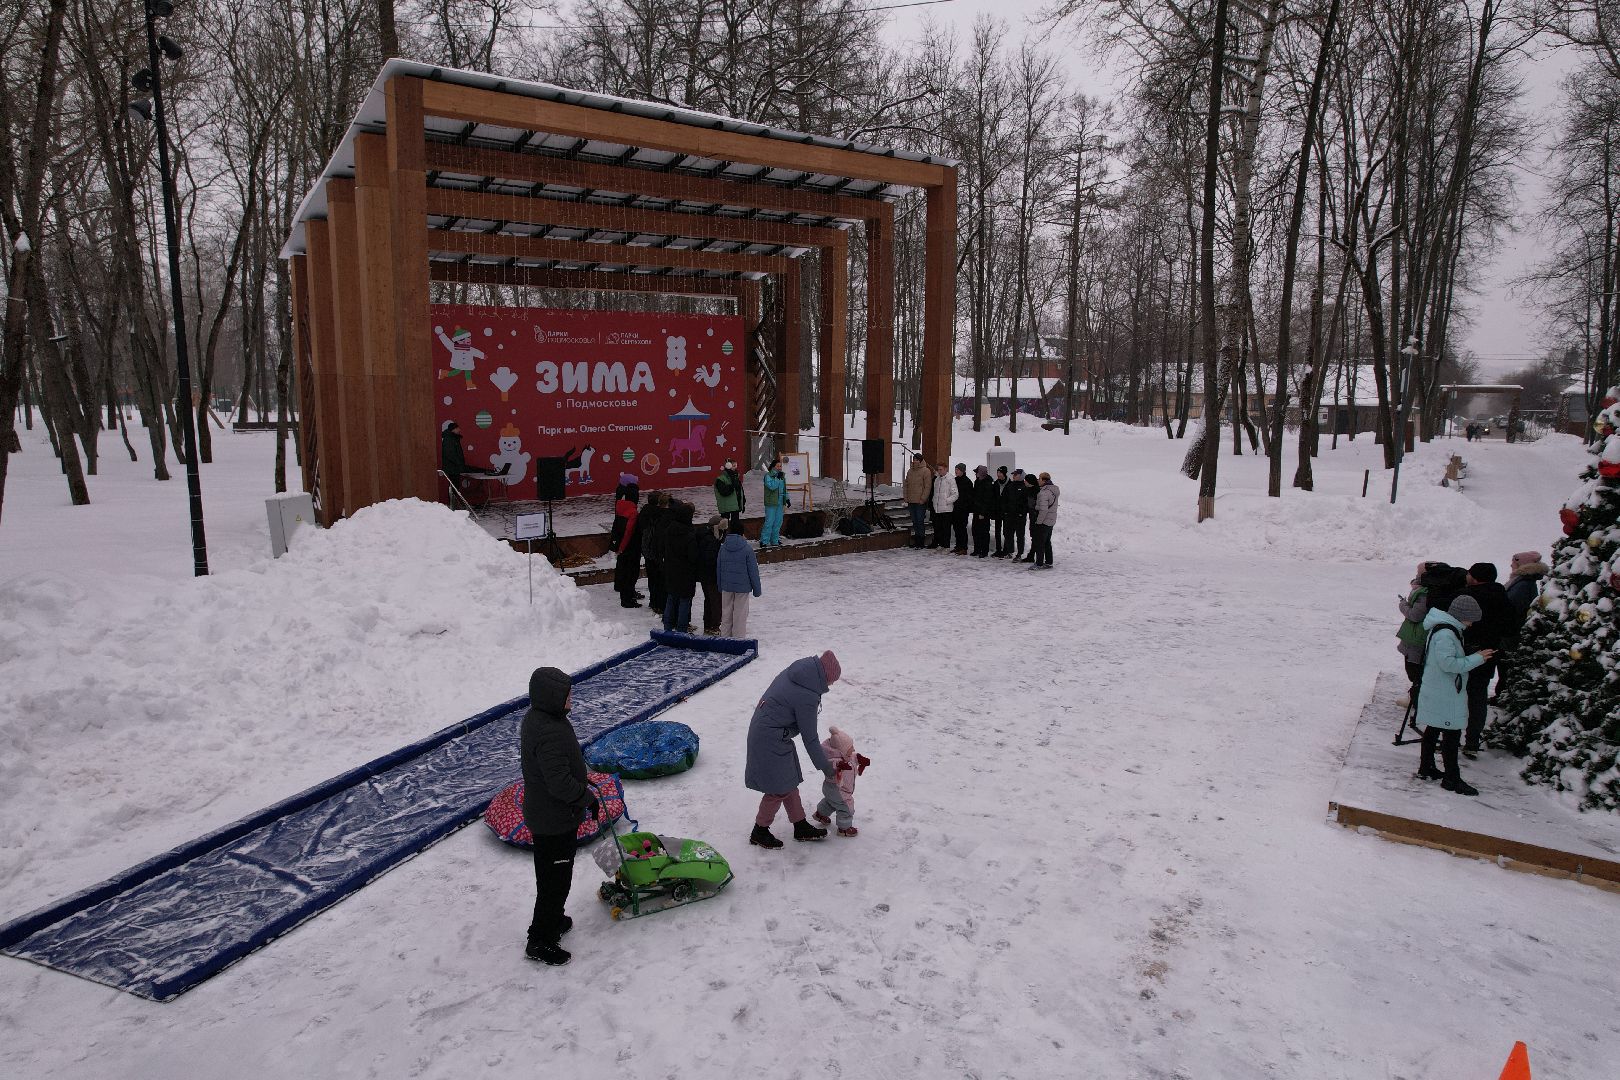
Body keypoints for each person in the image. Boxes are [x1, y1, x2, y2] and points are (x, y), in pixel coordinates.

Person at [520, 666, 598, 965]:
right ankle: (540, 939)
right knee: (554, 881)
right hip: (553, 820)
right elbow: (558, 783)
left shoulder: (543, 718)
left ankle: (554, 919)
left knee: (556, 876)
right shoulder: (549, 730)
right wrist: (585, 796)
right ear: (552, 697)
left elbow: (559, 766)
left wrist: (581, 777)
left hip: (552, 814)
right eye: (567, 694)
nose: (572, 698)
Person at [746, 651, 839, 847]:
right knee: (777, 789)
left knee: (788, 781)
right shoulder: (807, 694)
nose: (830, 687)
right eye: (831, 683)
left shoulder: (798, 672)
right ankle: (759, 831)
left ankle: (800, 825)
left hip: (770, 733)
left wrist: (788, 730)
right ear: (825, 677)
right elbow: (810, 738)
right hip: (770, 739)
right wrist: (827, 768)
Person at [1415, 595, 1494, 795]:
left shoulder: (1446, 629)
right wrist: (1477, 658)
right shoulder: (1447, 634)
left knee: (1433, 728)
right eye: (1471, 619)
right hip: (1446, 691)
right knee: (1452, 734)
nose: (1472, 623)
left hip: (1439, 689)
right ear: (1462, 616)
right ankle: (1452, 778)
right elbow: (1448, 664)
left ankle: (1427, 768)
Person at [1460, 562, 1513, 753]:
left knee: (1457, 694)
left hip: (1465, 651)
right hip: (1490, 652)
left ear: (1474, 577)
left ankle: (1451, 736)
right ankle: (1472, 742)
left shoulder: (1469, 596)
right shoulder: (1502, 595)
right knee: (1478, 697)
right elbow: (1510, 626)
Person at [1497, 550, 1548, 697]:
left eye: (1514, 561)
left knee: (1506, 667)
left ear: (1521, 565)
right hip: (1510, 632)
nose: (1511, 564)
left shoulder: (1523, 585)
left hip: (1511, 633)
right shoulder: (1521, 582)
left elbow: (1511, 608)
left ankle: (1504, 695)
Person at [811, 726, 870, 838]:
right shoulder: (833, 761)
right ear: (841, 752)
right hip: (839, 791)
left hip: (830, 791)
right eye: (850, 748)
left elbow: (852, 757)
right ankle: (844, 829)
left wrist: (859, 758)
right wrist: (839, 766)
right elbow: (831, 767)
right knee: (846, 807)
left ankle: (820, 814)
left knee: (830, 802)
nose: (853, 750)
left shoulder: (846, 757)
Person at [717, 520, 763, 637]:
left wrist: (720, 585)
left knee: (726, 614)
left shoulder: (723, 548)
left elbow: (719, 568)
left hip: (727, 587)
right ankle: (738, 640)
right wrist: (757, 590)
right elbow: (753, 571)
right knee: (740, 615)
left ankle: (725, 639)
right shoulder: (747, 549)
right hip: (742, 587)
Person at [660, 500, 699, 632]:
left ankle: (667, 626)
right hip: (685, 573)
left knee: (671, 598)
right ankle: (682, 629)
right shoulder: (689, 535)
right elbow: (693, 556)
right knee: (684, 600)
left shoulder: (669, 530)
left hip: (671, 570)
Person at [609, 475, 642, 609]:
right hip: (629, 547)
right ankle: (627, 599)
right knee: (630, 573)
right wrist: (622, 547)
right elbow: (629, 532)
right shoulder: (633, 512)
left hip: (621, 546)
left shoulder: (619, 505)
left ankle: (625, 593)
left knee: (623, 569)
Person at [697, 515, 726, 634]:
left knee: (708, 600)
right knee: (715, 601)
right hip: (712, 576)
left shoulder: (702, 536)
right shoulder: (712, 542)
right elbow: (711, 560)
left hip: (703, 575)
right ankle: (714, 626)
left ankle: (708, 625)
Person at [640, 492, 668, 615]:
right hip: (656, 552)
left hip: (647, 551)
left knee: (652, 578)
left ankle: (653, 602)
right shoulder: (659, 515)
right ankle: (659, 604)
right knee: (660, 580)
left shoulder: (644, 512)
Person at [903, 454, 932, 548]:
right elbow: (906, 485)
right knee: (914, 521)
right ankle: (916, 540)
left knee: (920, 521)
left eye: (916, 459)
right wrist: (906, 497)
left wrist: (923, 499)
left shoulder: (926, 471)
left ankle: (921, 541)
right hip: (911, 500)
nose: (914, 461)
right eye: (914, 459)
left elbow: (927, 486)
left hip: (920, 501)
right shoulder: (910, 471)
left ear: (920, 461)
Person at [1031, 471, 1059, 570]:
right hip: (1051, 520)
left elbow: (1043, 510)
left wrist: (1039, 522)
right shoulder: (1054, 490)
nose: (1038, 480)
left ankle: (1039, 563)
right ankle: (1049, 562)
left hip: (1044, 521)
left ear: (1044, 480)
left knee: (1040, 543)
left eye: (1039, 478)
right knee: (1047, 542)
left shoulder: (1043, 493)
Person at [1001, 468, 1029, 559]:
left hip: (1019, 516)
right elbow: (1004, 499)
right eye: (1013, 474)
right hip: (1009, 515)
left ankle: (1019, 554)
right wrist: (1005, 511)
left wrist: (1022, 512)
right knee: (1008, 534)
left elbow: (1026, 503)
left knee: (1020, 535)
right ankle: (1010, 551)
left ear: (1021, 476)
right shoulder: (1010, 486)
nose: (1013, 476)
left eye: (1016, 475)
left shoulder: (1025, 487)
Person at [970, 465, 995, 558]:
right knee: (975, 530)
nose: (975, 474)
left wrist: (983, 513)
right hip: (977, 510)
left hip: (984, 512)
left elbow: (987, 499)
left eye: (977, 472)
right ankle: (977, 549)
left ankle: (984, 551)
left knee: (984, 532)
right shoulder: (977, 481)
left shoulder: (988, 482)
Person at [760, 459, 787, 547]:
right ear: (773, 466)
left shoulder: (781, 476)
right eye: (778, 466)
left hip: (780, 502)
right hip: (771, 502)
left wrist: (787, 499)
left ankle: (774, 540)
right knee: (769, 522)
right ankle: (764, 541)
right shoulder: (768, 476)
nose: (780, 468)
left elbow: (784, 489)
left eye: (780, 466)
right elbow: (772, 487)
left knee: (778, 522)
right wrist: (777, 479)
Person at [930, 462, 956, 550]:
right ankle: (941, 544)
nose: (939, 471)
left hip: (946, 509)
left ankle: (946, 546)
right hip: (937, 508)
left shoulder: (950, 479)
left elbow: (955, 494)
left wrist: (946, 501)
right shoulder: (937, 479)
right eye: (938, 469)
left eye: (941, 469)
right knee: (938, 528)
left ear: (946, 469)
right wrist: (934, 502)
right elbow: (935, 493)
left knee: (946, 529)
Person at [714, 459, 746, 532]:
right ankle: (723, 539)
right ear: (728, 466)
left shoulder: (735, 477)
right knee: (724, 526)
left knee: (736, 525)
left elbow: (740, 491)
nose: (735, 468)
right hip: (726, 507)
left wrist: (743, 501)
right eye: (733, 466)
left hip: (735, 506)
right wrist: (732, 485)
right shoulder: (721, 479)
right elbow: (724, 492)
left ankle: (734, 539)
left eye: (736, 466)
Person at [1019, 474, 1041, 562]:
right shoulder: (1028, 490)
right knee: (1033, 536)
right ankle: (1031, 555)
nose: (1024, 482)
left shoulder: (1037, 491)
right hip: (1032, 516)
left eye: (1026, 480)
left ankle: (1034, 555)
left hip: (1037, 517)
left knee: (1036, 537)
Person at [440, 421, 469, 485]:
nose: (459, 430)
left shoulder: (452, 438)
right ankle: (453, 495)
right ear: (453, 429)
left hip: (454, 468)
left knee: (454, 484)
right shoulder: (449, 439)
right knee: (454, 485)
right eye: (457, 428)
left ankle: (454, 494)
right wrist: (459, 463)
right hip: (452, 468)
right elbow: (450, 454)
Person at [952, 464, 972, 555]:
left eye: (958, 470)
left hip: (963, 509)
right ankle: (958, 545)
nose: (956, 471)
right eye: (955, 469)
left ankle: (964, 547)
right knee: (956, 528)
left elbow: (969, 497)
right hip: (955, 508)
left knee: (962, 528)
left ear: (963, 471)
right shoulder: (955, 480)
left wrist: (965, 506)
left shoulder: (967, 481)